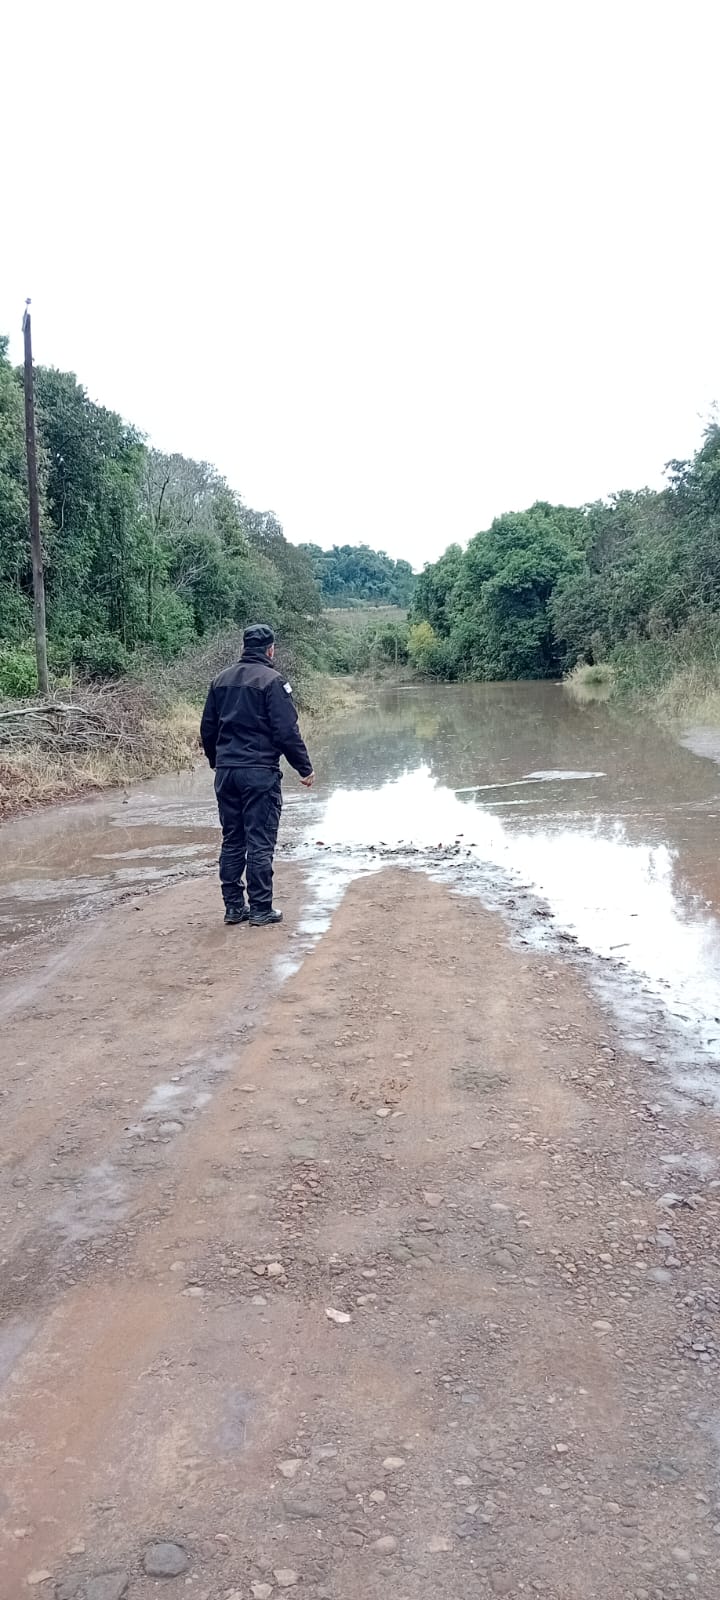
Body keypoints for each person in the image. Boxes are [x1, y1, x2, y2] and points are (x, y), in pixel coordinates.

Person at [200, 624, 315, 926]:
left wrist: (217, 761)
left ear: (243, 646)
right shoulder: (273, 681)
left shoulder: (219, 681)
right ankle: (262, 909)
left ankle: (234, 908)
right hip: (259, 773)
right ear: (270, 649)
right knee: (260, 841)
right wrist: (304, 767)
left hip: (226, 773)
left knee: (233, 840)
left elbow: (208, 729)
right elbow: (286, 730)